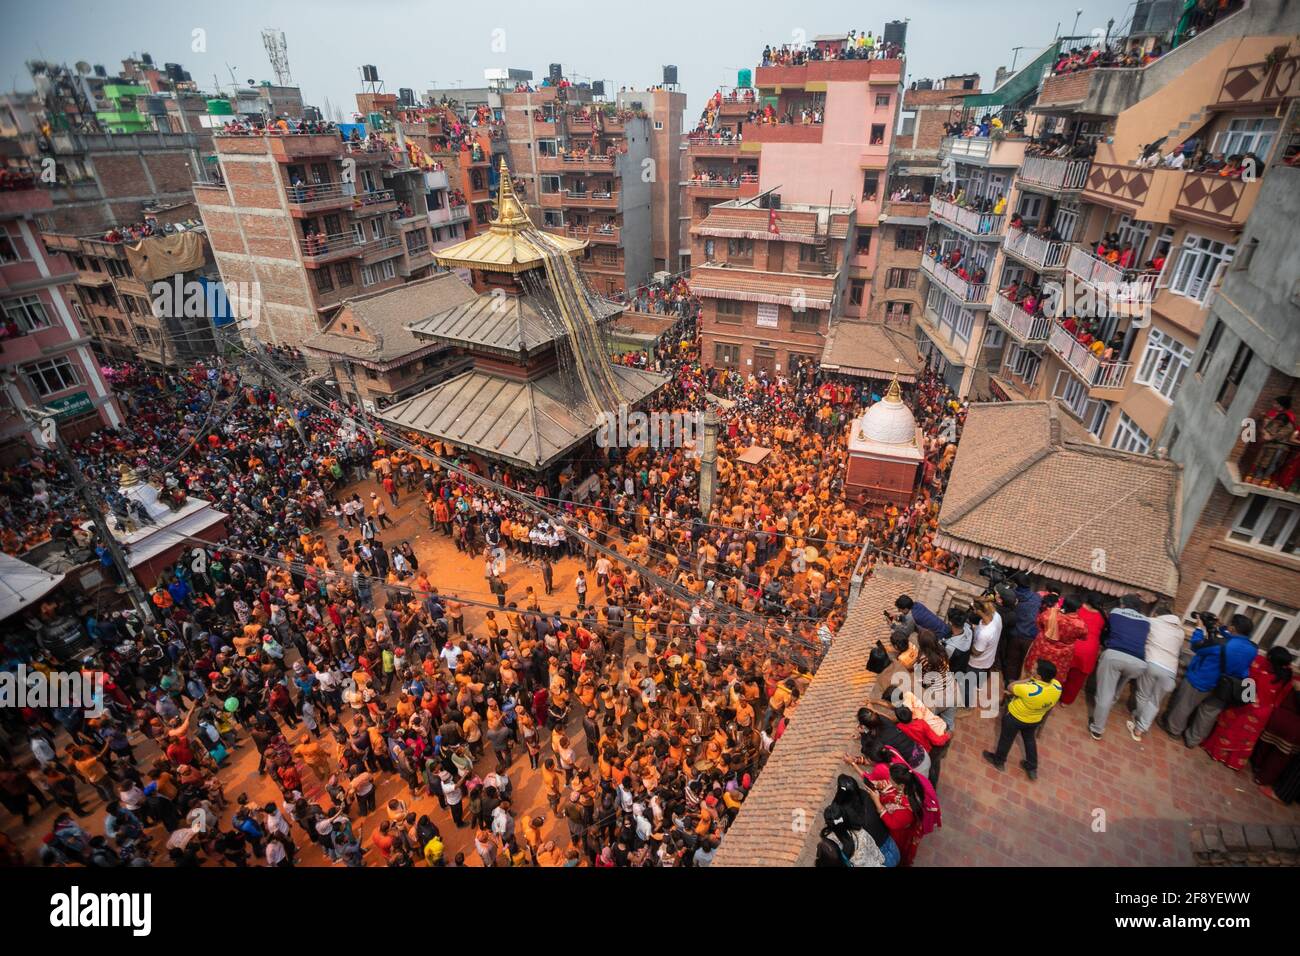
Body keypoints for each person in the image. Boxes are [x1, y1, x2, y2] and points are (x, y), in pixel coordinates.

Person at [1162, 614, 1258, 748]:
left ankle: (1174, 730)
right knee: (1207, 715)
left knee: (1185, 705)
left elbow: (1196, 646)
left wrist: (1199, 629)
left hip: (1202, 681)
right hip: (1225, 687)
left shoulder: (1221, 644)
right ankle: (1192, 740)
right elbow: (1233, 641)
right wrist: (1220, 626)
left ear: (1233, 628)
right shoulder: (1253, 648)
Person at [1202, 647, 1295, 770]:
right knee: (1246, 738)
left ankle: (1218, 754)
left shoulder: (1259, 671)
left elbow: (1247, 690)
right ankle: (1234, 762)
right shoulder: (1286, 677)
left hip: (1247, 707)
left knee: (1230, 729)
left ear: (1271, 658)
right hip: (1264, 712)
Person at [984, 659, 1061, 781]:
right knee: (1030, 741)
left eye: (1035, 669)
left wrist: (1029, 679)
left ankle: (999, 760)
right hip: (1034, 719)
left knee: (1006, 739)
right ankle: (1032, 766)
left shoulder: (1030, 690)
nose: (1032, 669)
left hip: (1015, 717)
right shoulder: (1057, 686)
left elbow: (1011, 686)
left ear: (1039, 676)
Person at [1088, 594, 1150, 740]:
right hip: (1139, 664)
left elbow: (1108, 629)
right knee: (1115, 692)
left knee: (1105, 694)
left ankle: (1097, 728)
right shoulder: (1146, 620)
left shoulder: (1116, 612)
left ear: (1124, 604)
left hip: (1115, 656)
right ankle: (1105, 711)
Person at [1128, 603, 1185, 742]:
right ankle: (1140, 730)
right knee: (1155, 702)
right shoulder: (1181, 632)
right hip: (1170, 670)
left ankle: (1138, 719)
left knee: (1143, 695)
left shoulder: (1152, 622)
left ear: (1157, 615)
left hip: (1152, 662)